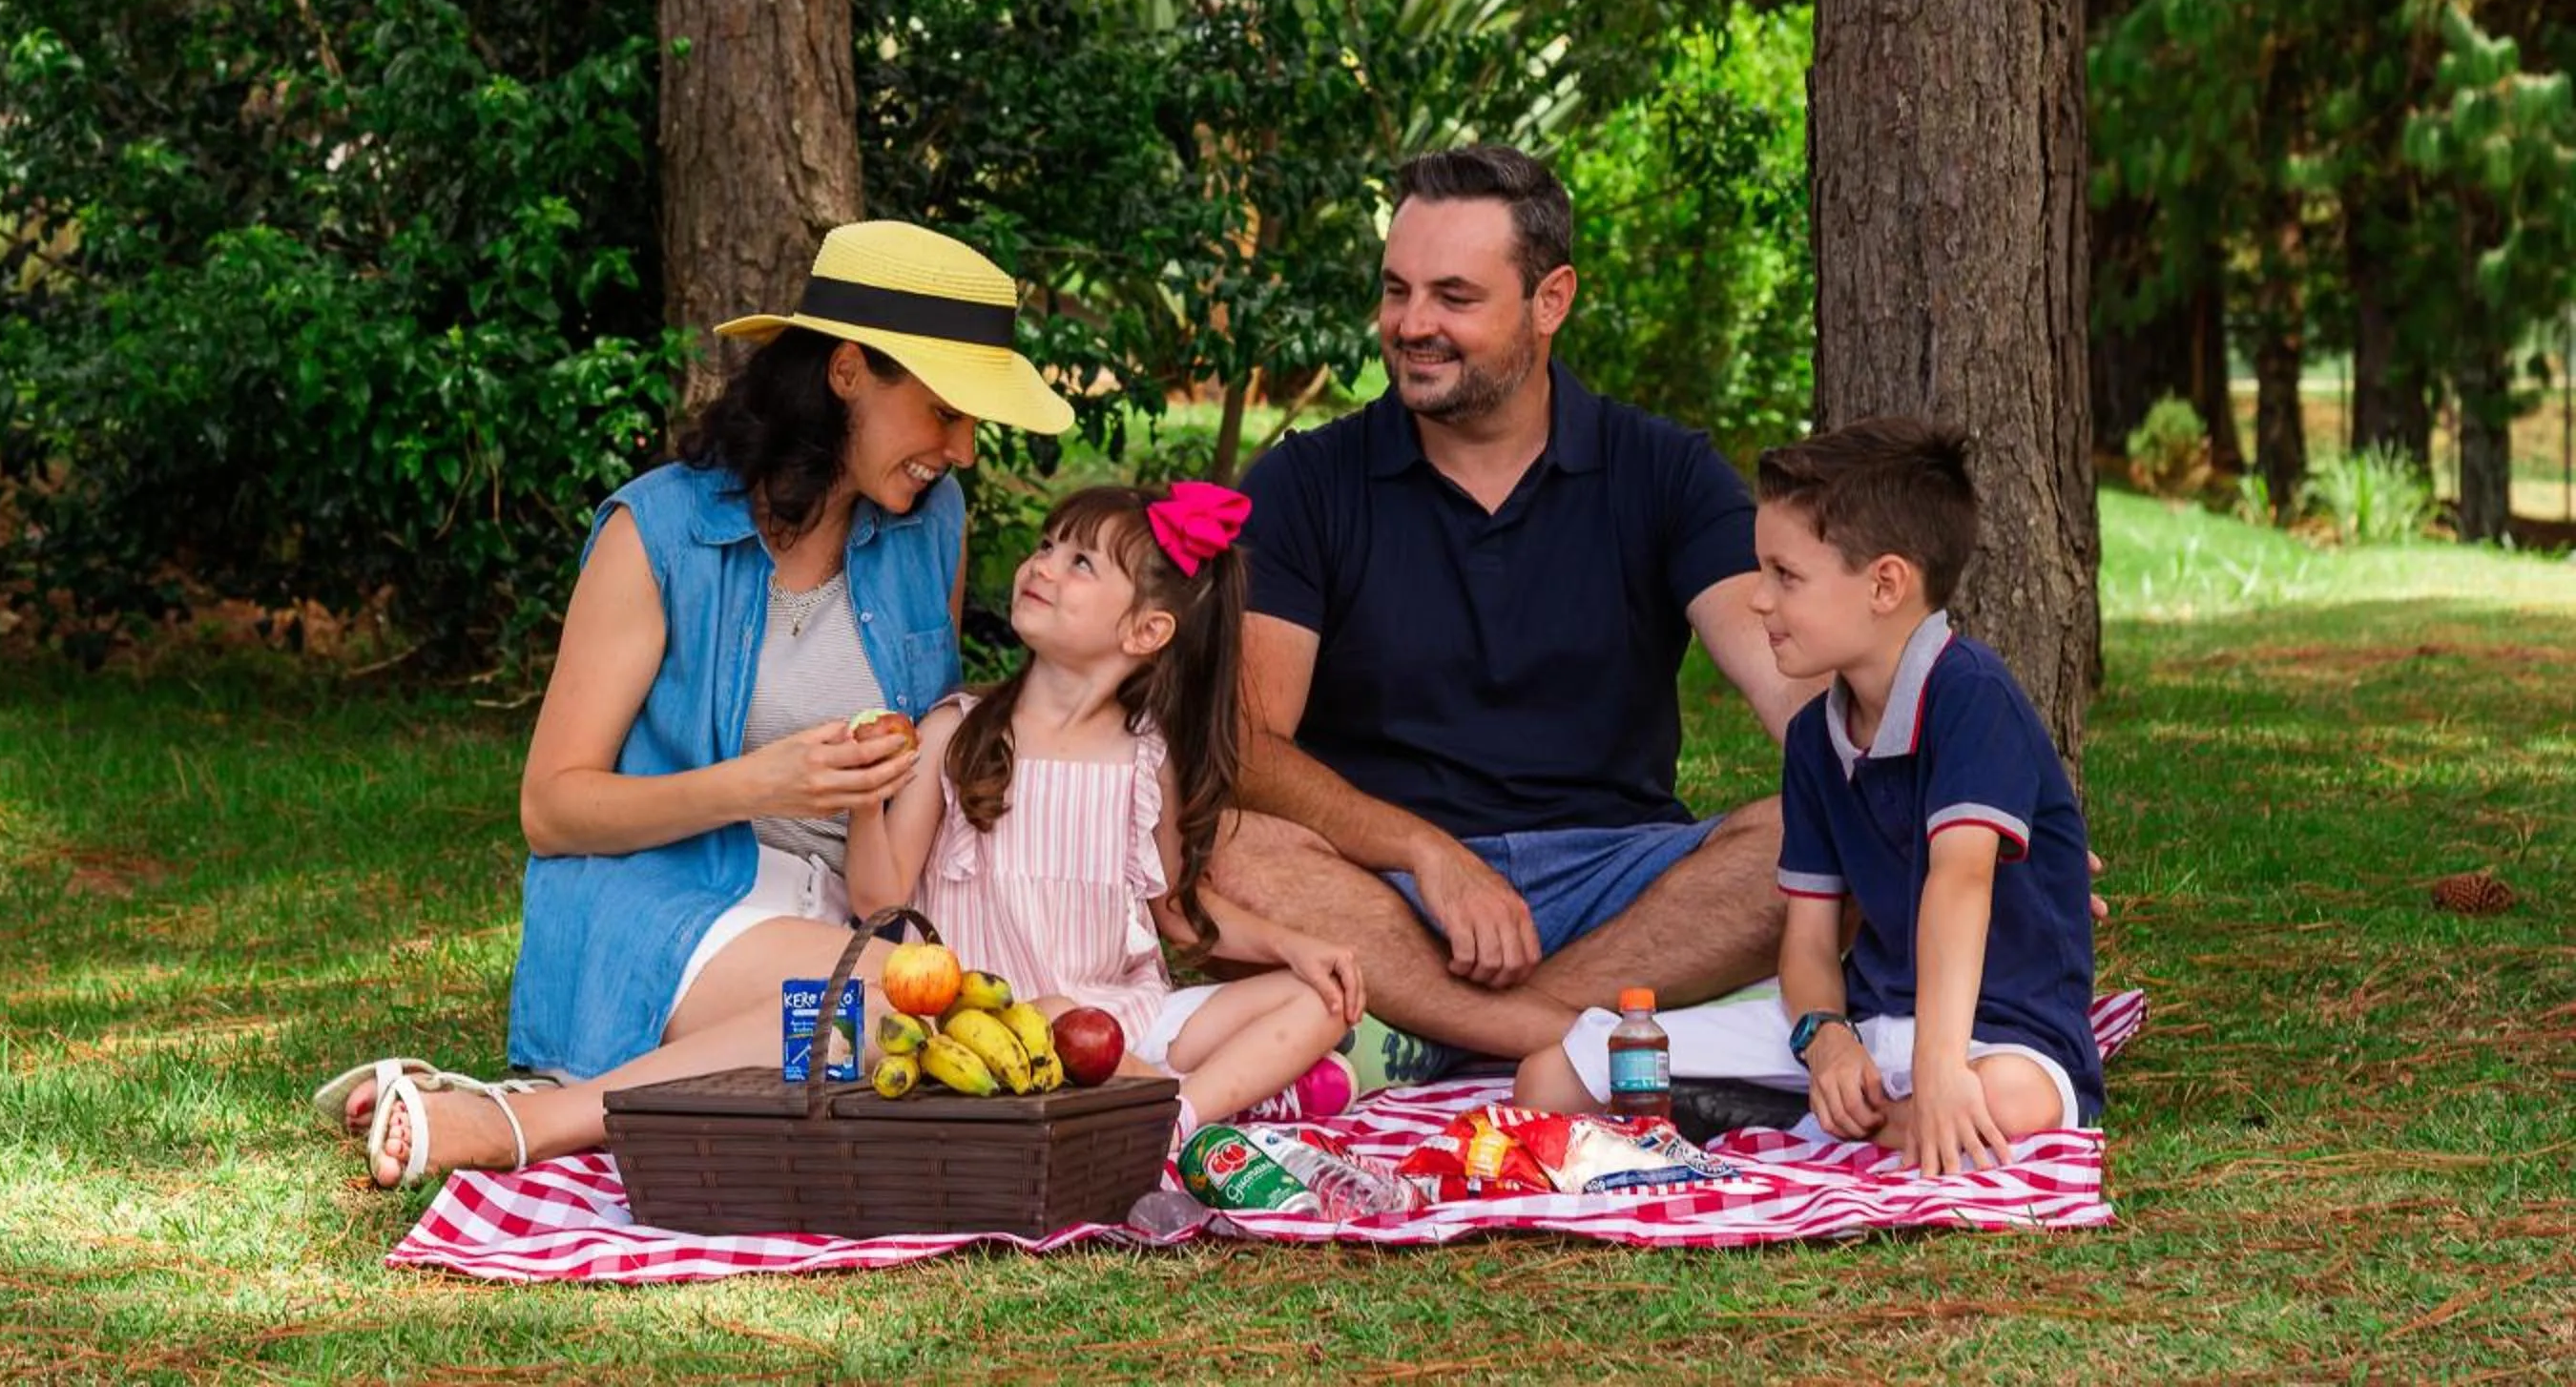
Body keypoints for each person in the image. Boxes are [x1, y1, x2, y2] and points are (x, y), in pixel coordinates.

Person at [315, 219, 1074, 1187]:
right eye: (942, 410)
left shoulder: (930, 523)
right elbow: (551, 809)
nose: (963, 448)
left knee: (947, 1029)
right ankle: (528, 1122)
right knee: (897, 1008)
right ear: (847, 372)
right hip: (667, 896)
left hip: (849, 911)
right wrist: (758, 782)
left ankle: (510, 1097)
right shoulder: (658, 531)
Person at [1212, 145, 1822, 1080]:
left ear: (1551, 300)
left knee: (1826, 830)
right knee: (1223, 840)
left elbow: (1797, 686)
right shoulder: (1307, 481)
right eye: (1397, 290)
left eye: (1454, 297)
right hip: (1388, 888)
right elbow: (1249, 744)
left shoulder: (1661, 470)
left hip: (1622, 885)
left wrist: (1952, 801)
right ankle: (1565, 1041)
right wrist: (1428, 849)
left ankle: (1441, 1033)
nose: (1412, 324)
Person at [1515, 419, 2104, 1175]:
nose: (1759, 600)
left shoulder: (1970, 696)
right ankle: (1806, 1113)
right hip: (1866, 1031)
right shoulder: (1816, 737)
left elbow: (1961, 884)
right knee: (1551, 1077)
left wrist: (1938, 1068)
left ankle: (1771, 1119)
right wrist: (1824, 1037)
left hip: (2000, 1037)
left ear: (1885, 584)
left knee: (1996, 1106)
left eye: (1784, 576)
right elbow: (1808, 938)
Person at [846, 482, 1364, 1142]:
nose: (1043, 566)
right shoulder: (956, 734)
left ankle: (1179, 1114)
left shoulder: (1147, 759)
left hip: (1125, 1019)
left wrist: (1296, 946)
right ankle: (1209, 1096)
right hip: (991, 1030)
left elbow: (1178, 913)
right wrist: (864, 800)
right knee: (1062, 1014)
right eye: (1046, 547)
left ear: (1147, 630)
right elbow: (877, 901)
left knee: (1318, 1000)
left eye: (1080, 562)